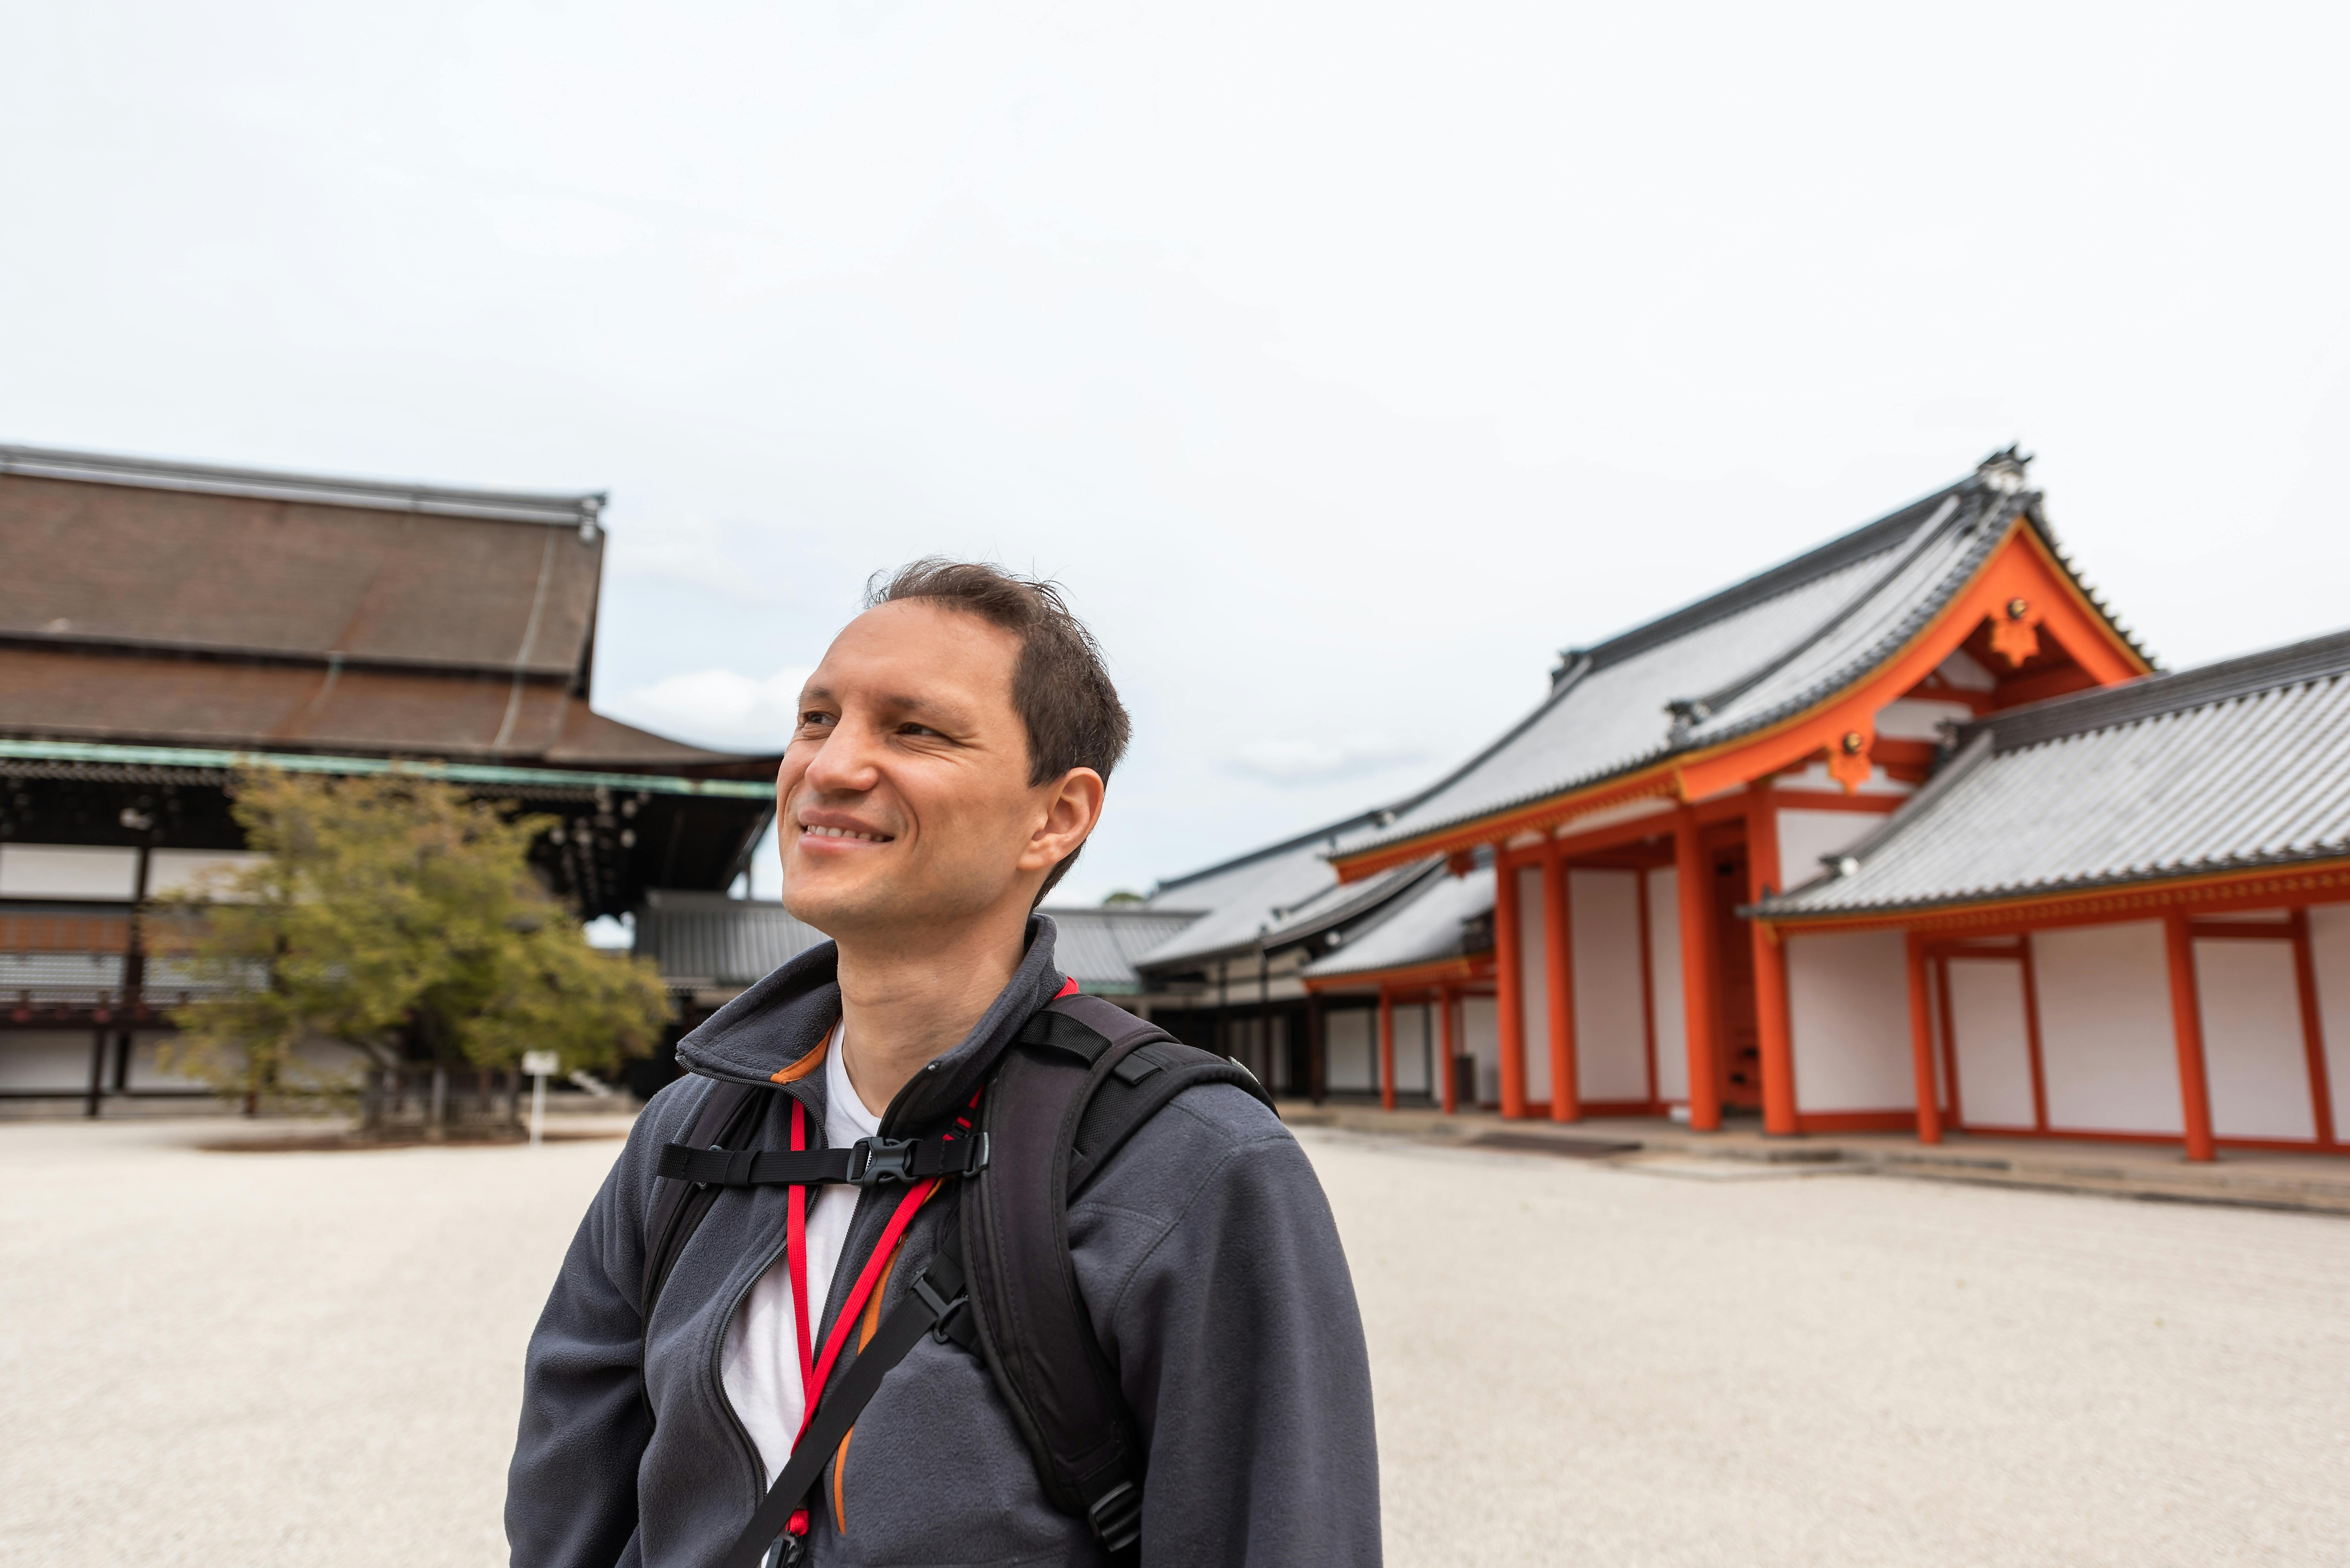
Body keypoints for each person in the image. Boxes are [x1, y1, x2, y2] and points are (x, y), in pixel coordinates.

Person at [506, 561, 1381, 1566]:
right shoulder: (695, 1132)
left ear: (1056, 816)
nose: (830, 767)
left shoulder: (1189, 1163)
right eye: (817, 719)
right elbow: (568, 1489)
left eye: (914, 730)